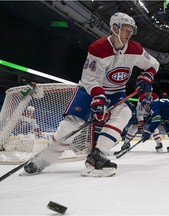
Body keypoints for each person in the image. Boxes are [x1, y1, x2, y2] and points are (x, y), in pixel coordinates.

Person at [23, 12, 160, 177]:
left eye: (132, 30)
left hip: (116, 92)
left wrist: (148, 75)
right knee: (71, 126)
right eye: (126, 29)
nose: (129, 33)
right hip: (90, 91)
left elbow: (154, 64)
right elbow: (89, 80)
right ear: (115, 28)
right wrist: (99, 97)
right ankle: (43, 159)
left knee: (124, 112)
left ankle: (97, 156)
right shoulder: (98, 48)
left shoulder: (135, 49)